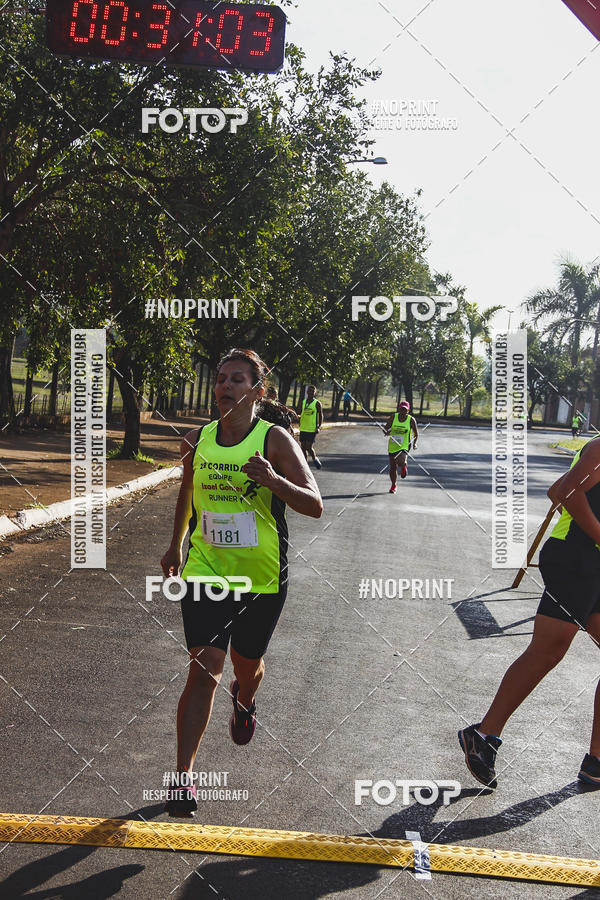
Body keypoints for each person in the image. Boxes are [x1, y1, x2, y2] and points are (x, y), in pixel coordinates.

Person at [161, 349, 323, 816]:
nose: (225, 386)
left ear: (258, 391)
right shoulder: (196, 440)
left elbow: (314, 504)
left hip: (262, 578)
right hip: (207, 572)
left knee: (245, 665)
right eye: (220, 379)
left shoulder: (274, 441)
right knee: (205, 667)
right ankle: (183, 778)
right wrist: (176, 544)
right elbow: (186, 494)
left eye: (236, 379)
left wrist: (274, 481)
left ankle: (246, 697)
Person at [459, 436, 600, 789]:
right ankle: (484, 735)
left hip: (591, 562)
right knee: (547, 651)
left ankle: (596, 761)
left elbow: (555, 489)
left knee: (547, 651)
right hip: (576, 560)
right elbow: (566, 493)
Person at [383, 400, 418, 493]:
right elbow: (386, 428)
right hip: (393, 444)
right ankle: (393, 485)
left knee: (401, 461)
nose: (402, 411)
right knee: (393, 467)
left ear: (408, 410)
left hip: (404, 445)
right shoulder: (393, 417)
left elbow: (416, 433)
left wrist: (414, 443)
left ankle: (403, 467)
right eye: (401, 409)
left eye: (405, 409)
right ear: (399, 409)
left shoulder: (411, 420)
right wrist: (387, 431)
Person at [298, 384, 323, 469]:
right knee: (303, 448)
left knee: (309, 447)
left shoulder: (317, 403)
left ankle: (314, 458)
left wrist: (319, 427)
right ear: (307, 392)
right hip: (303, 428)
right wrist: (298, 417)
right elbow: (301, 413)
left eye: (313, 391)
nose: (311, 392)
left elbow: (320, 415)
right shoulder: (303, 402)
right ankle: (305, 465)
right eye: (310, 390)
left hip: (312, 429)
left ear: (314, 393)